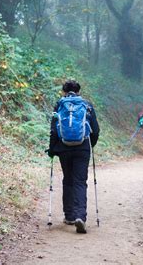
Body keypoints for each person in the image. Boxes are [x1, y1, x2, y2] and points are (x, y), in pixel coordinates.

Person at [48, 80, 100, 234]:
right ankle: (80, 217)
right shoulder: (87, 105)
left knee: (68, 180)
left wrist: (52, 149)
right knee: (80, 181)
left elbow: (53, 130)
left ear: (64, 91)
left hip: (64, 148)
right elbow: (95, 130)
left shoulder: (59, 105)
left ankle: (69, 216)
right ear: (78, 91)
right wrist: (91, 144)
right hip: (82, 147)